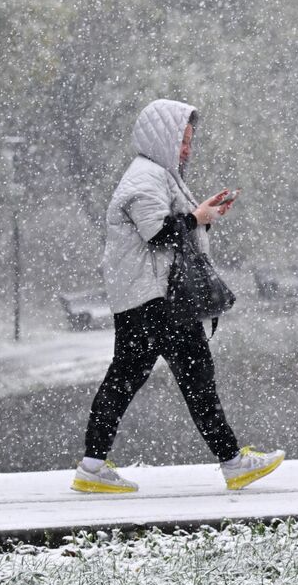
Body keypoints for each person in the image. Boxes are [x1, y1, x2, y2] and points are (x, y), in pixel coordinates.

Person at [71, 98, 284, 493]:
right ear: (162, 137)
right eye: (182, 140)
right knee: (194, 379)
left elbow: (173, 232)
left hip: (146, 301)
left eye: (189, 142)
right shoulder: (144, 178)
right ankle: (233, 462)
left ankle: (92, 465)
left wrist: (206, 217)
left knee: (128, 379)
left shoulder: (157, 175)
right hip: (155, 302)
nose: (187, 149)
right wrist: (196, 217)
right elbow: (159, 232)